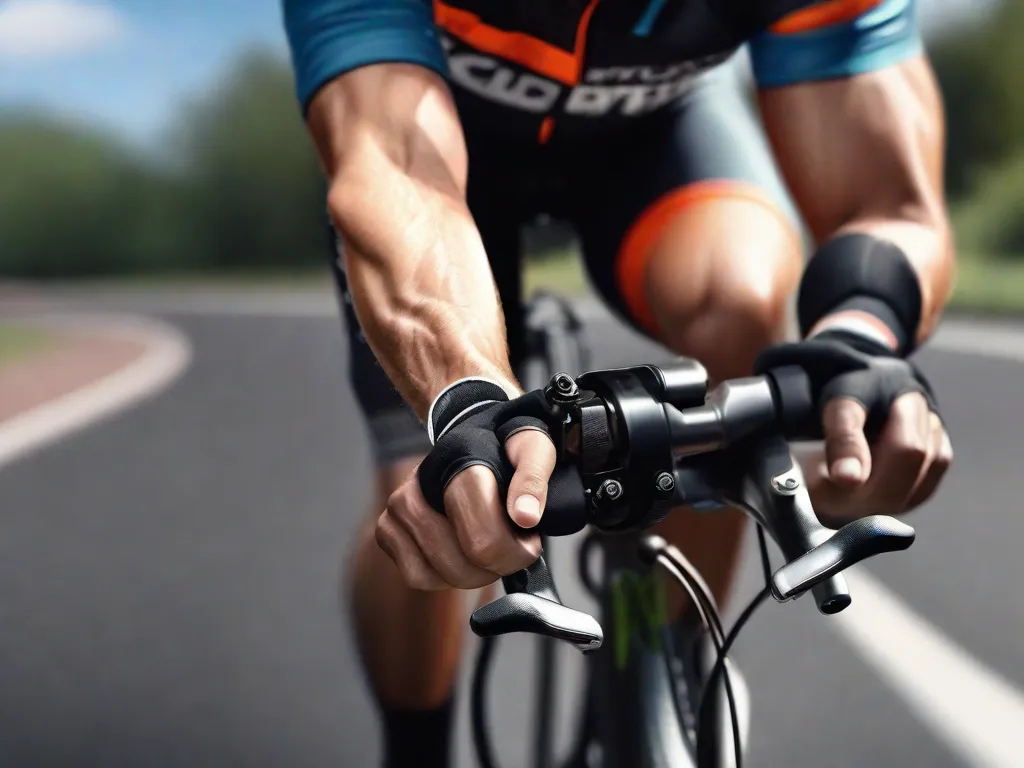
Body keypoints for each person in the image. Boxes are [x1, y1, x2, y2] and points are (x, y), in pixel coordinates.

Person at [282, 0, 955, 765]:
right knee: (439, 491)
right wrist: (468, 399)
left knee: (741, 310)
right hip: (424, 150)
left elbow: (887, 201)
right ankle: (415, 747)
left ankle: (664, 662)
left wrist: (856, 342)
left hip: (654, 144)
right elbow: (392, 167)